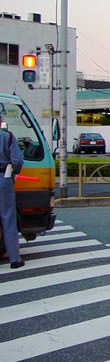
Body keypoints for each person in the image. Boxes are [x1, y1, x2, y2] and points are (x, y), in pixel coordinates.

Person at [0, 114, 25, 269]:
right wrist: (12, 172)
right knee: (8, 219)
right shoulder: (7, 137)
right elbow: (17, 161)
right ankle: (14, 259)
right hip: (4, 178)